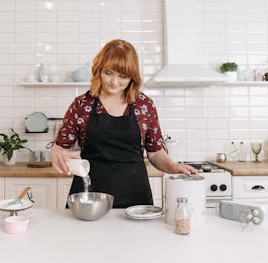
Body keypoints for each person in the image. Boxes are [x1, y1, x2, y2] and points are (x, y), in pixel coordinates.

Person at [50, 39, 197, 208]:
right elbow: (59, 148)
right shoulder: (82, 104)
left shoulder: (144, 105)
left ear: (132, 76)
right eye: (108, 73)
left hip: (135, 195)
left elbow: (155, 153)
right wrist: (57, 154)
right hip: (90, 197)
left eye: (123, 76)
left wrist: (172, 166)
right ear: (98, 70)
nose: (114, 82)